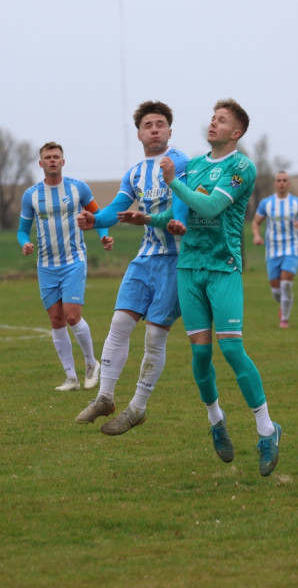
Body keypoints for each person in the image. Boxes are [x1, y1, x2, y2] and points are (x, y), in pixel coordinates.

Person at [120, 99, 282, 477]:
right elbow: (184, 213)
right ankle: (216, 422)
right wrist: (146, 217)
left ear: (236, 132)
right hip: (189, 268)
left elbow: (209, 209)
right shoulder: (193, 165)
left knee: (232, 348)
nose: (213, 123)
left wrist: (173, 180)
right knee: (200, 356)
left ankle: (267, 430)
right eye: (212, 117)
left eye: (221, 120)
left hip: (222, 268)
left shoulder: (241, 166)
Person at [74, 100, 189, 435]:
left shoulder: (181, 161)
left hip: (176, 260)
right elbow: (117, 208)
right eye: (148, 125)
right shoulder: (135, 173)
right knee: (119, 323)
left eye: (160, 124)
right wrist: (95, 219)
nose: (154, 129)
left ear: (169, 130)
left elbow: (182, 201)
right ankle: (104, 397)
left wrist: (179, 222)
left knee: (155, 335)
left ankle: (137, 407)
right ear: (138, 133)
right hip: (145, 258)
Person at [18, 142, 113, 391]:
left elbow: (98, 216)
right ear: (40, 163)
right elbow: (21, 231)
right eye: (47, 157)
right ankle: (70, 378)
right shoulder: (31, 195)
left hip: (74, 261)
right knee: (56, 320)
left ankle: (92, 363)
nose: (52, 160)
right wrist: (25, 243)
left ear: (63, 161)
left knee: (72, 315)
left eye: (56, 157)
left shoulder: (77, 188)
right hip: (46, 265)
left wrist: (103, 235)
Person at [251, 170, 298, 328]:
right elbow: (255, 223)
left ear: (289, 183)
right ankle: (283, 305)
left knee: (286, 284)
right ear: (275, 184)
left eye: (284, 180)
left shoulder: (297, 203)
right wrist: (256, 236)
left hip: (292, 248)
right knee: (276, 291)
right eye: (279, 180)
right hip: (273, 250)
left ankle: (284, 320)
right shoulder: (266, 203)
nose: (281, 183)